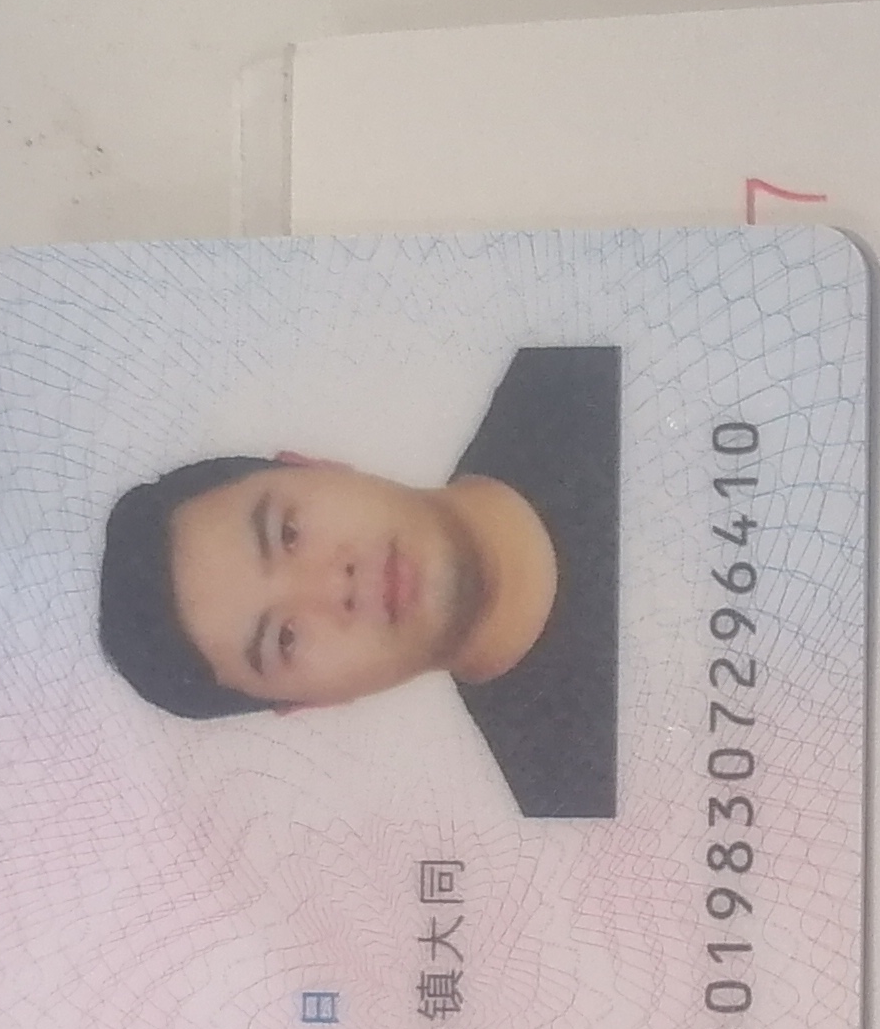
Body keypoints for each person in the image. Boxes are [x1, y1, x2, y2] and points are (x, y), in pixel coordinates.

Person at [95, 345, 620, 817]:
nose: (332, 589)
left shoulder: (581, 372)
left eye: (288, 533)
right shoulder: (573, 793)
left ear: (313, 466)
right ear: (313, 702)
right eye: (286, 639)